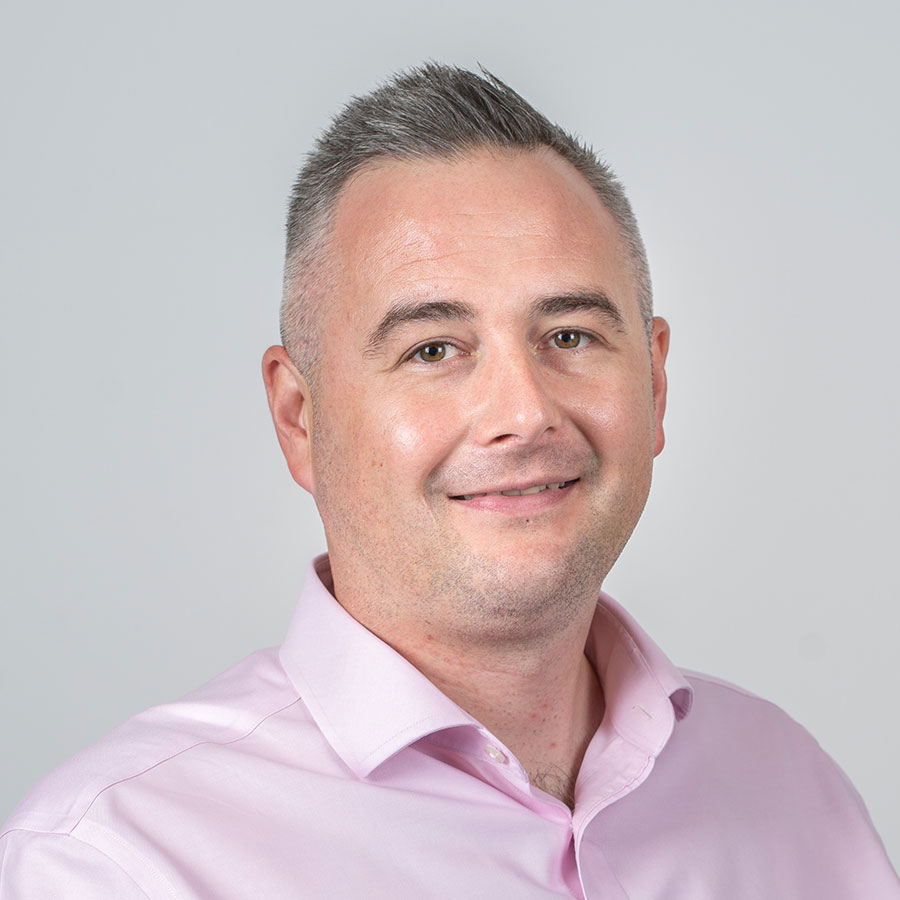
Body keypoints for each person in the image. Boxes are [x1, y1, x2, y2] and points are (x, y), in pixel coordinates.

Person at [1, 64, 897, 899]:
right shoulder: (113, 865)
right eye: (433, 350)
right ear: (300, 418)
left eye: (571, 335)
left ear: (655, 385)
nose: (525, 413)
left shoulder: (790, 788)